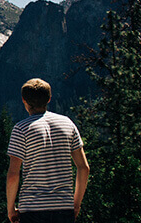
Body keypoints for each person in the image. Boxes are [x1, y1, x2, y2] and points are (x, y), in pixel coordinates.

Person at [6, 78, 90, 223]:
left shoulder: (21, 129)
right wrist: (75, 205)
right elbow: (84, 168)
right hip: (64, 209)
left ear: (24, 100)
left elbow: (13, 175)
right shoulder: (67, 124)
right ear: (49, 99)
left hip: (32, 209)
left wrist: (11, 208)